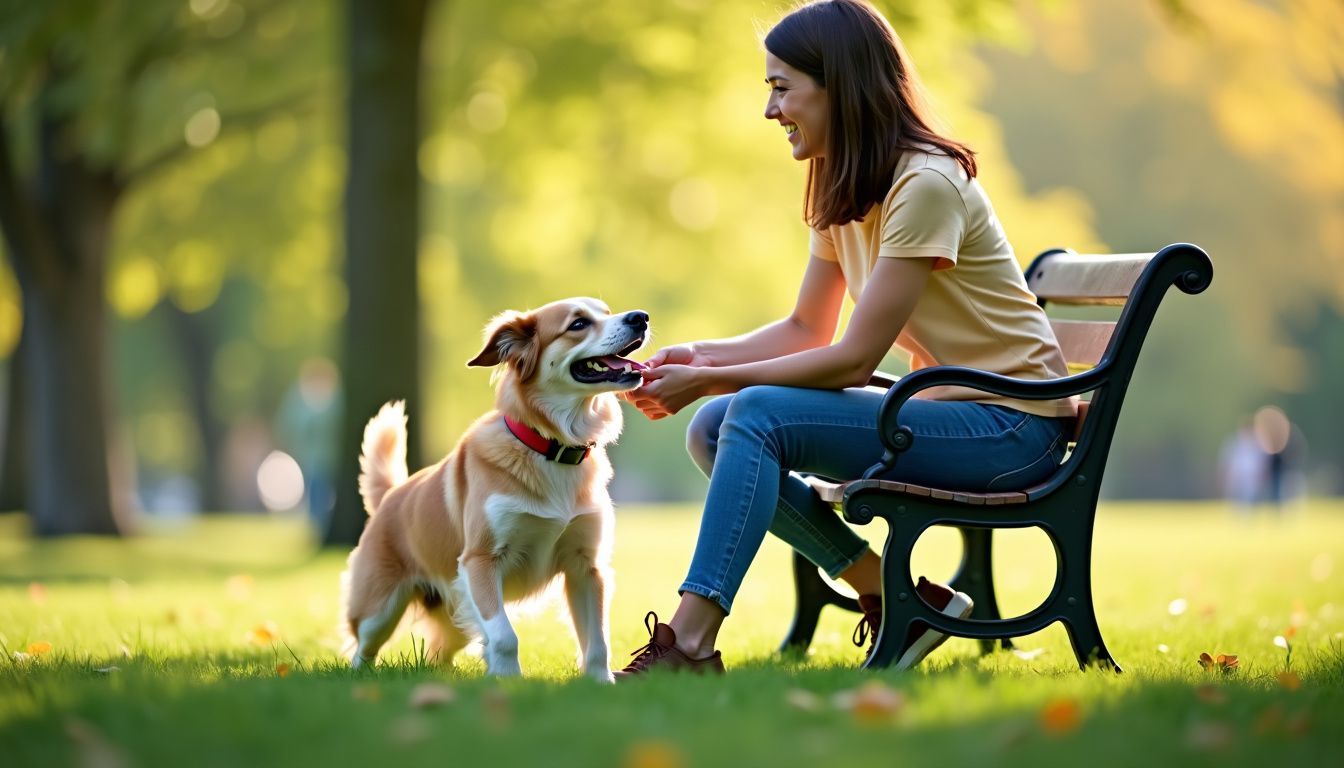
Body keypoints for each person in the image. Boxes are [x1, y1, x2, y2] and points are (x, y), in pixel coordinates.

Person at [617, 0, 1076, 676]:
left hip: (1012, 427)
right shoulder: (843, 177)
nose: (771, 110)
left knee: (747, 411)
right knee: (713, 426)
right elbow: (809, 328)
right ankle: (893, 595)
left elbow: (856, 359)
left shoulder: (924, 184)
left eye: (782, 88)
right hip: (952, 411)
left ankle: (688, 641)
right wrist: (704, 357)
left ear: (840, 86)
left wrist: (714, 379)